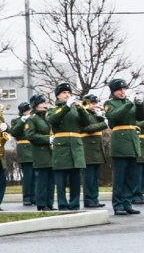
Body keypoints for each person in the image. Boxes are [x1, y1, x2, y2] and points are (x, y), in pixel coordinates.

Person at [105, 78, 144, 215]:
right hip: (120, 143)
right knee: (120, 177)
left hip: (132, 142)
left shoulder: (129, 102)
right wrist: (129, 105)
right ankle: (118, 205)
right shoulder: (109, 103)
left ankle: (127, 202)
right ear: (114, 91)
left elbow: (141, 117)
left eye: (124, 89)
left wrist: (140, 105)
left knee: (131, 177)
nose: (123, 92)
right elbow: (114, 116)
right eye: (119, 90)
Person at [48, 82, 90, 210]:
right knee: (61, 179)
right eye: (64, 93)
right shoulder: (53, 110)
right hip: (62, 146)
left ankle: (75, 203)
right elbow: (52, 120)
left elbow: (86, 122)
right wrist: (66, 107)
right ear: (58, 96)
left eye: (69, 93)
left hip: (76, 145)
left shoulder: (75, 109)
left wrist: (81, 109)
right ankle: (62, 204)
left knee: (76, 178)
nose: (67, 95)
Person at [24, 94, 55, 211]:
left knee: (50, 180)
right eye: (41, 103)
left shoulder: (46, 118)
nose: (44, 105)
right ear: (35, 106)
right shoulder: (32, 119)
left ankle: (49, 203)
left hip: (50, 152)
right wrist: (47, 139)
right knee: (42, 180)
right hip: (40, 152)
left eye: (44, 103)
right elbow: (30, 135)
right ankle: (41, 204)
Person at [81, 94, 108, 208]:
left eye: (95, 103)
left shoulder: (94, 115)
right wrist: (103, 124)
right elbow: (87, 128)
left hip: (96, 149)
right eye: (92, 103)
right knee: (88, 177)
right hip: (88, 148)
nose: (94, 105)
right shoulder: (83, 114)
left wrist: (101, 117)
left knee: (95, 177)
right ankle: (89, 200)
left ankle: (94, 199)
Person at [9, 101, 35, 206]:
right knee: (28, 175)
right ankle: (27, 197)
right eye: (26, 110)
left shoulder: (33, 119)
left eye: (29, 110)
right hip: (24, 150)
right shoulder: (16, 121)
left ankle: (35, 197)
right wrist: (22, 121)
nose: (28, 112)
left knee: (36, 176)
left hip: (34, 148)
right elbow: (14, 132)